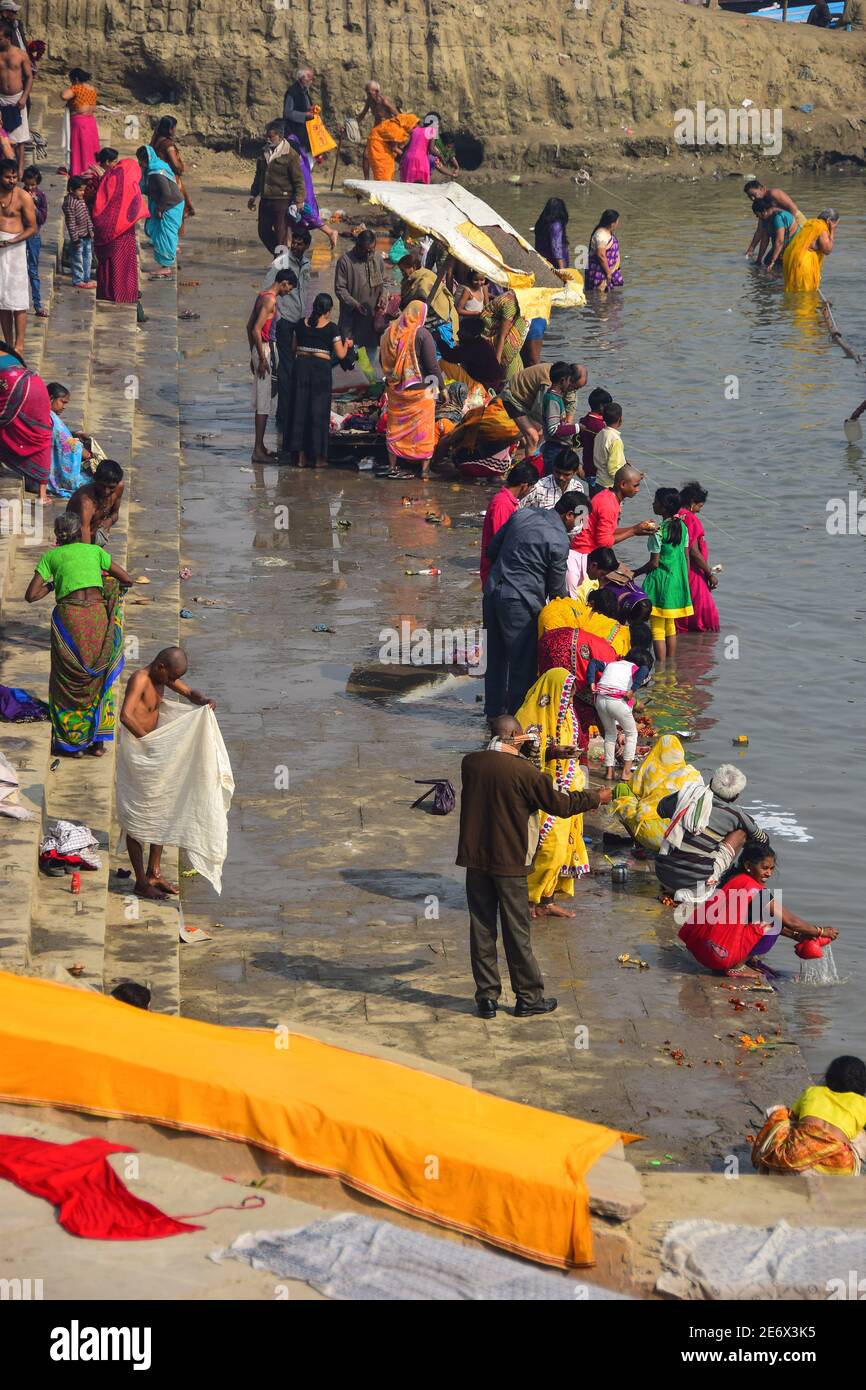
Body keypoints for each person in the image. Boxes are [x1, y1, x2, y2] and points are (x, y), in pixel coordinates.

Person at [456, 722, 608, 1017]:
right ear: (515, 736)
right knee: (517, 931)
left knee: (482, 927)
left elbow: (503, 767)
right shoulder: (524, 772)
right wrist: (596, 798)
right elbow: (560, 805)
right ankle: (528, 997)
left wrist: (547, 754)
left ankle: (486, 998)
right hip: (510, 861)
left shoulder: (470, 763)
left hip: (476, 860)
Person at [24, 510, 131, 756]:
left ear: (57, 536)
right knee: (98, 677)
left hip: (69, 619)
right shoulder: (95, 552)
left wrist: (53, 583)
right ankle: (98, 744)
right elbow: (127, 579)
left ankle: (71, 743)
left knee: (66, 681)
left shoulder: (51, 557)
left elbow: (31, 596)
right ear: (80, 533)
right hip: (96, 619)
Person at [119, 647, 215, 898]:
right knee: (137, 815)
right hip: (140, 752)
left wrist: (204, 700)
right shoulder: (140, 678)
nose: (172, 682)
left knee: (161, 807)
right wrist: (149, 742)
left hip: (154, 751)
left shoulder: (163, 677)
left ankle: (155, 872)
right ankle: (141, 881)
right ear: (161, 667)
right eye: (171, 676)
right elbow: (125, 715)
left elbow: (189, 692)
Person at [482, 492, 580, 718]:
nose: (580, 527)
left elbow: (492, 550)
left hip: (493, 590)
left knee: (495, 658)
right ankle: (517, 719)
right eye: (580, 520)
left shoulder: (522, 514)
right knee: (522, 663)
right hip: (521, 601)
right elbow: (557, 591)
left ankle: (494, 714)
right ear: (568, 516)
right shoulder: (559, 540)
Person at [678, 844, 837, 980]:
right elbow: (792, 921)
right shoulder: (756, 891)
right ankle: (736, 966)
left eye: (771, 869)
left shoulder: (733, 879)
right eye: (764, 868)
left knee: (765, 919)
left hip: (700, 948)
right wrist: (822, 931)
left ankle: (740, 960)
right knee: (773, 921)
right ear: (748, 865)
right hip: (719, 958)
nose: (769, 873)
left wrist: (798, 936)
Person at [515, 668, 596, 918]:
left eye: (571, 696)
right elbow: (516, 755)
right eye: (566, 695)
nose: (569, 700)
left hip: (567, 787)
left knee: (563, 850)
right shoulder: (527, 715)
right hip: (541, 790)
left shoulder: (569, 715)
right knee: (547, 848)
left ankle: (546, 900)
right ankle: (528, 900)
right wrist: (551, 753)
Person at [656, 763, 768, 913]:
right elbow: (762, 840)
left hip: (663, 875)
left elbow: (661, 809)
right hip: (696, 888)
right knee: (741, 833)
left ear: (710, 782)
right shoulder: (736, 815)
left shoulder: (689, 795)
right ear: (736, 797)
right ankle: (732, 877)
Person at [753, 1055, 866, 1177]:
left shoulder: (813, 1091)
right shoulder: (862, 1103)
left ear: (829, 1077)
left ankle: (769, 1167)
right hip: (838, 1173)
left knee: (780, 1112)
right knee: (859, 1133)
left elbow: (793, 1117)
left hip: (794, 1166)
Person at [379, 299, 443, 479]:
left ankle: (392, 466)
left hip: (395, 389)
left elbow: (381, 359)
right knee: (424, 429)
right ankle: (424, 470)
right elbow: (432, 366)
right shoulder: (422, 334)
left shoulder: (389, 333)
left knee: (395, 428)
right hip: (421, 391)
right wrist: (442, 388)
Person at [289, 291, 352, 469]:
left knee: (299, 409)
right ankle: (318, 459)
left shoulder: (301, 324)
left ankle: (300, 457)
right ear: (328, 310)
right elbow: (340, 354)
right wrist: (347, 345)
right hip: (320, 371)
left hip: (301, 367)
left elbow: (293, 348)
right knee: (318, 412)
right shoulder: (332, 328)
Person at [263, 232, 311, 455]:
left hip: (300, 322)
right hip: (284, 323)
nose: (297, 247)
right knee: (284, 369)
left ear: (307, 246)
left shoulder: (306, 264)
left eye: (301, 244)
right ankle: (282, 415)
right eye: (295, 243)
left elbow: (304, 292)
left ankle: (292, 412)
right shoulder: (280, 263)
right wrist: (278, 319)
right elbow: (267, 291)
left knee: (295, 370)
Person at [247, 268, 297, 464]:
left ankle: (260, 447)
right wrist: (261, 357)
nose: (287, 292)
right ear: (283, 283)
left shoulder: (262, 295)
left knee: (263, 400)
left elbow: (248, 327)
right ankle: (257, 450)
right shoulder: (270, 300)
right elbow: (256, 329)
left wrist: (253, 356)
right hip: (265, 350)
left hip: (261, 351)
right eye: (288, 288)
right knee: (264, 403)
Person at [587, 644, 653, 780]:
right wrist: (632, 690)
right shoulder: (635, 668)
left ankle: (609, 772)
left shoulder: (611, 664)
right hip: (617, 702)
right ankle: (626, 773)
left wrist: (591, 682)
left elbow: (593, 662)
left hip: (600, 700)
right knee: (632, 734)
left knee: (610, 734)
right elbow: (644, 669)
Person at [91, 155, 147, 304]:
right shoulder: (130, 184)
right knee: (122, 265)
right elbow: (134, 208)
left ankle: (107, 292)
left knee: (109, 265)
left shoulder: (110, 176)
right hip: (124, 232)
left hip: (107, 229)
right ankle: (124, 294)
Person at [334, 229, 388, 371]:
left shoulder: (377, 259)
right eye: (366, 251)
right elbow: (340, 289)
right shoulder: (345, 261)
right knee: (351, 356)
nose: (369, 254)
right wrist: (355, 304)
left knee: (371, 356)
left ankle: (370, 386)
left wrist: (382, 298)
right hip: (352, 318)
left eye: (372, 250)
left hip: (371, 318)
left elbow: (383, 284)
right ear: (358, 246)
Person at [0, 338, 48, 497]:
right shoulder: (9, 355)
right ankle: (42, 492)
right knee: (42, 432)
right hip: (34, 384)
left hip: (16, 387)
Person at [575, 464, 656, 557]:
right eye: (635, 486)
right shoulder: (608, 505)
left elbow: (608, 532)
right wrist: (633, 531)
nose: (638, 490)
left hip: (587, 549)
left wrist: (637, 528)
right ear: (623, 484)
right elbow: (604, 542)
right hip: (584, 552)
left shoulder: (608, 496)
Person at [247, 121, 302, 256]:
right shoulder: (263, 152)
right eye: (267, 136)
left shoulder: (291, 155)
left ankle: (282, 264)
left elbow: (299, 180)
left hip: (282, 201)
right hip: (265, 200)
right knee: (263, 232)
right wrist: (253, 195)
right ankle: (282, 257)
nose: (267, 139)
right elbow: (258, 176)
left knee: (281, 235)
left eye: (271, 136)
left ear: (280, 136)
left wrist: (299, 200)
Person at [479, 462, 537, 586]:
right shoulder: (502, 504)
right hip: (497, 573)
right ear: (525, 486)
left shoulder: (508, 502)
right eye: (531, 488)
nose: (530, 492)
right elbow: (500, 542)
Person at [457, 287, 528, 388]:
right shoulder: (511, 304)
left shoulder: (510, 297)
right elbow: (502, 335)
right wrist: (497, 362)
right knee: (507, 383)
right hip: (499, 348)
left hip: (497, 346)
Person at [675, 481, 719, 633]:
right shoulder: (689, 518)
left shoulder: (676, 515)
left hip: (679, 569)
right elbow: (693, 552)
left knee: (684, 611)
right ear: (692, 503)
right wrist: (709, 573)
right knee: (706, 616)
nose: (699, 511)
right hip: (693, 571)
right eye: (699, 506)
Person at [283, 129, 338, 250]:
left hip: (301, 190)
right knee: (292, 218)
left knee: (303, 211)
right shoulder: (296, 146)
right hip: (304, 186)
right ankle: (288, 244)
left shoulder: (293, 156)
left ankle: (329, 232)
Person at [0, 156, 33, 352]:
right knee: (2, 300)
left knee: (18, 300)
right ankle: (8, 343)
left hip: (15, 248)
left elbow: (32, 228)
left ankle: (19, 345)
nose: (11, 180)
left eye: (14, 177)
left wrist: (11, 241)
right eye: (7, 177)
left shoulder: (23, 197)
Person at [398, 249, 459, 354]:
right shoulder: (413, 279)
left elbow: (421, 303)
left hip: (439, 322)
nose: (403, 273)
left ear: (413, 267)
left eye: (404, 270)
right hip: (430, 322)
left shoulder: (423, 282)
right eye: (401, 271)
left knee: (438, 357)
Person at [136, 144, 184, 275]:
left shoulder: (156, 172)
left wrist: (159, 209)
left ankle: (165, 266)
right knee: (167, 234)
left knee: (165, 236)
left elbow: (166, 194)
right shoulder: (157, 166)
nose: (139, 163)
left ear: (145, 160)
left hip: (170, 205)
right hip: (170, 204)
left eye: (140, 161)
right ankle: (167, 260)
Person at [66, 459, 125, 548]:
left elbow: (115, 514)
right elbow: (84, 529)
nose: (106, 491)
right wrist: (90, 556)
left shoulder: (119, 487)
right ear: (95, 479)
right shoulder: (87, 501)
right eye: (102, 486)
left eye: (111, 487)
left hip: (95, 534)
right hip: (76, 540)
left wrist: (109, 521)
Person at [46, 381, 91, 497]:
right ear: (51, 398)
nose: (64, 407)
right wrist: (80, 450)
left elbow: (59, 436)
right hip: (47, 474)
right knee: (91, 483)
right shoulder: (48, 417)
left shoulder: (48, 414)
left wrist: (74, 434)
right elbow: (62, 439)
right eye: (62, 402)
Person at [743, 179, 803, 261]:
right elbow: (760, 230)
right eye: (750, 197)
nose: (753, 198)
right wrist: (751, 248)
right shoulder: (762, 207)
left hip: (796, 220)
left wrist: (788, 231)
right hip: (783, 224)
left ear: (762, 189)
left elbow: (793, 209)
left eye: (754, 194)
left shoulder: (774, 193)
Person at [783, 208, 839, 293]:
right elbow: (827, 250)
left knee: (795, 292)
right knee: (806, 295)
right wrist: (832, 232)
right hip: (804, 264)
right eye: (835, 224)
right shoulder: (822, 228)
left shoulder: (810, 223)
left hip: (792, 260)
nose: (836, 227)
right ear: (829, 221)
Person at [539, 364, 586, 464]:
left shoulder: (556, 397)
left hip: (558, 447)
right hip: (554, 449)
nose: (570, 384)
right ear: (562, 381)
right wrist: (577, 428)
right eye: (569, 381)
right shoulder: (553, 400)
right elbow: (553, 430)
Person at [0, 24, 30, 177]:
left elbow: (30, 77)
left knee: (20, 139)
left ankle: (19, 170)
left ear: (7, 38)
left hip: (17, 98)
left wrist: (24, 97)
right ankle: (6, 169)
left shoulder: (21, 54)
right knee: (4, 137)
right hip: (1, 99)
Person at [518, 446, 585, 511]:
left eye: (566, 475)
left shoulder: (577, 488)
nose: (561, 477)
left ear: (575, 472)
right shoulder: (538, 488)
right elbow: (518, 510)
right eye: (557, 472)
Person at [61, 67, 99, 176]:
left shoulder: (77, 88)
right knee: (90, 148)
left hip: (80, 121)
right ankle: (92, 170)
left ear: (76, 79)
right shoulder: (92, 89)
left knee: (78, 148)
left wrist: (72, 87)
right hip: (91, 121)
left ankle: (78, 170)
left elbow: (64, 96)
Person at [62, 175, 95, 289]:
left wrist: (91, 230)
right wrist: (75, 239)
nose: (83, 192)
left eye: (83, 190)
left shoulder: (80, 200)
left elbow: (87, 217)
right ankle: (78, 280)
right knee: (78, 259)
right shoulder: (70, 203)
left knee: (87, 256)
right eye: (80, 190)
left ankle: (86, 278)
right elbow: (71, 223)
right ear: (71, 190)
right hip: (78, 237)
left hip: (86, 234)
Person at [399, 112, 452, 183]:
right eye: (438, 124)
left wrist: (402, 160)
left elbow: (407, 147)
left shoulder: (415, 130)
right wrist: (441, 157)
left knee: (407, 187)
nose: (438, 126)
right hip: (420, 161)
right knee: (421, 188)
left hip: (407, 160)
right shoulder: (432, 131)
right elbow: (431, 149)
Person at [365, 111, 417, 181]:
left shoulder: (400, 126)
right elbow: (394, 148)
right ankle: (382, 188)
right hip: (376, 145)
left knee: (389, 169)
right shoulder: (396, 130)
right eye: (413, 127)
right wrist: (407, 155)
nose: (414, 130)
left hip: (382, 143)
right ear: (409, 124)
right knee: (382, 169)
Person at [21, 162, 45, 317]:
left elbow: (42, 218)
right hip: (19, 236)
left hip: (34, 237)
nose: (30, 189)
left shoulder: (41, 196)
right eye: (28, 185)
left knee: (33, 271)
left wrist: (34, 207)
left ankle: (38, 304)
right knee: (20, 271)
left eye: (33, 185)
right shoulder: (18, 194)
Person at [752, 194, 796, 273]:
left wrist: (773, 261)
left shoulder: (778, 217)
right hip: (783, 246)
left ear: (764, 211)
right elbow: (764, 240)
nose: (757, 216)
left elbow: (780, 241)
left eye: (757, 214)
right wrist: (758, 260)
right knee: (766, 261)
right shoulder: (765, 219)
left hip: (794, 245)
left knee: (776, 266)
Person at [578, 386, 612, 489]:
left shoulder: (584, 420)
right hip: (596, 470)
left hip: (587, 466)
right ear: (601, 406)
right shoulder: (599, 426)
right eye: (608, 405)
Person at [592, 401, 626, 490]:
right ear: (620, 418)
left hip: (598, 482)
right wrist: (629, 480)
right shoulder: (615, 440)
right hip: (609, 487)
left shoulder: (600, 434)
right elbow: (613, 470)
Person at [585, 209, 622, 292]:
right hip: (600, 272)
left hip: (607, 271)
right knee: (600, 298)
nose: (617, 224)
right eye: (617, 221)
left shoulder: (608, 232)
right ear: (612, 223)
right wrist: (608, 273)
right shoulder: (601, 235)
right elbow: (601, 255)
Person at [282, 66, 315, 154]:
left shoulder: (305, 91)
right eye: (310, 78)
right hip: (294, 132)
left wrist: (311, 109)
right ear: (302, 78)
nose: (311, 81)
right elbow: (288, 113)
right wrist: (305, 115)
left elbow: (304, 106)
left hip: (304, 133)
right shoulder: (292, 92)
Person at [533, 197, 569, 269]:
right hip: (555, 264)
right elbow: (556, 248)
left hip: (543, 260)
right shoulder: (556, 225)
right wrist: (562, 269)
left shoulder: (542, 223)